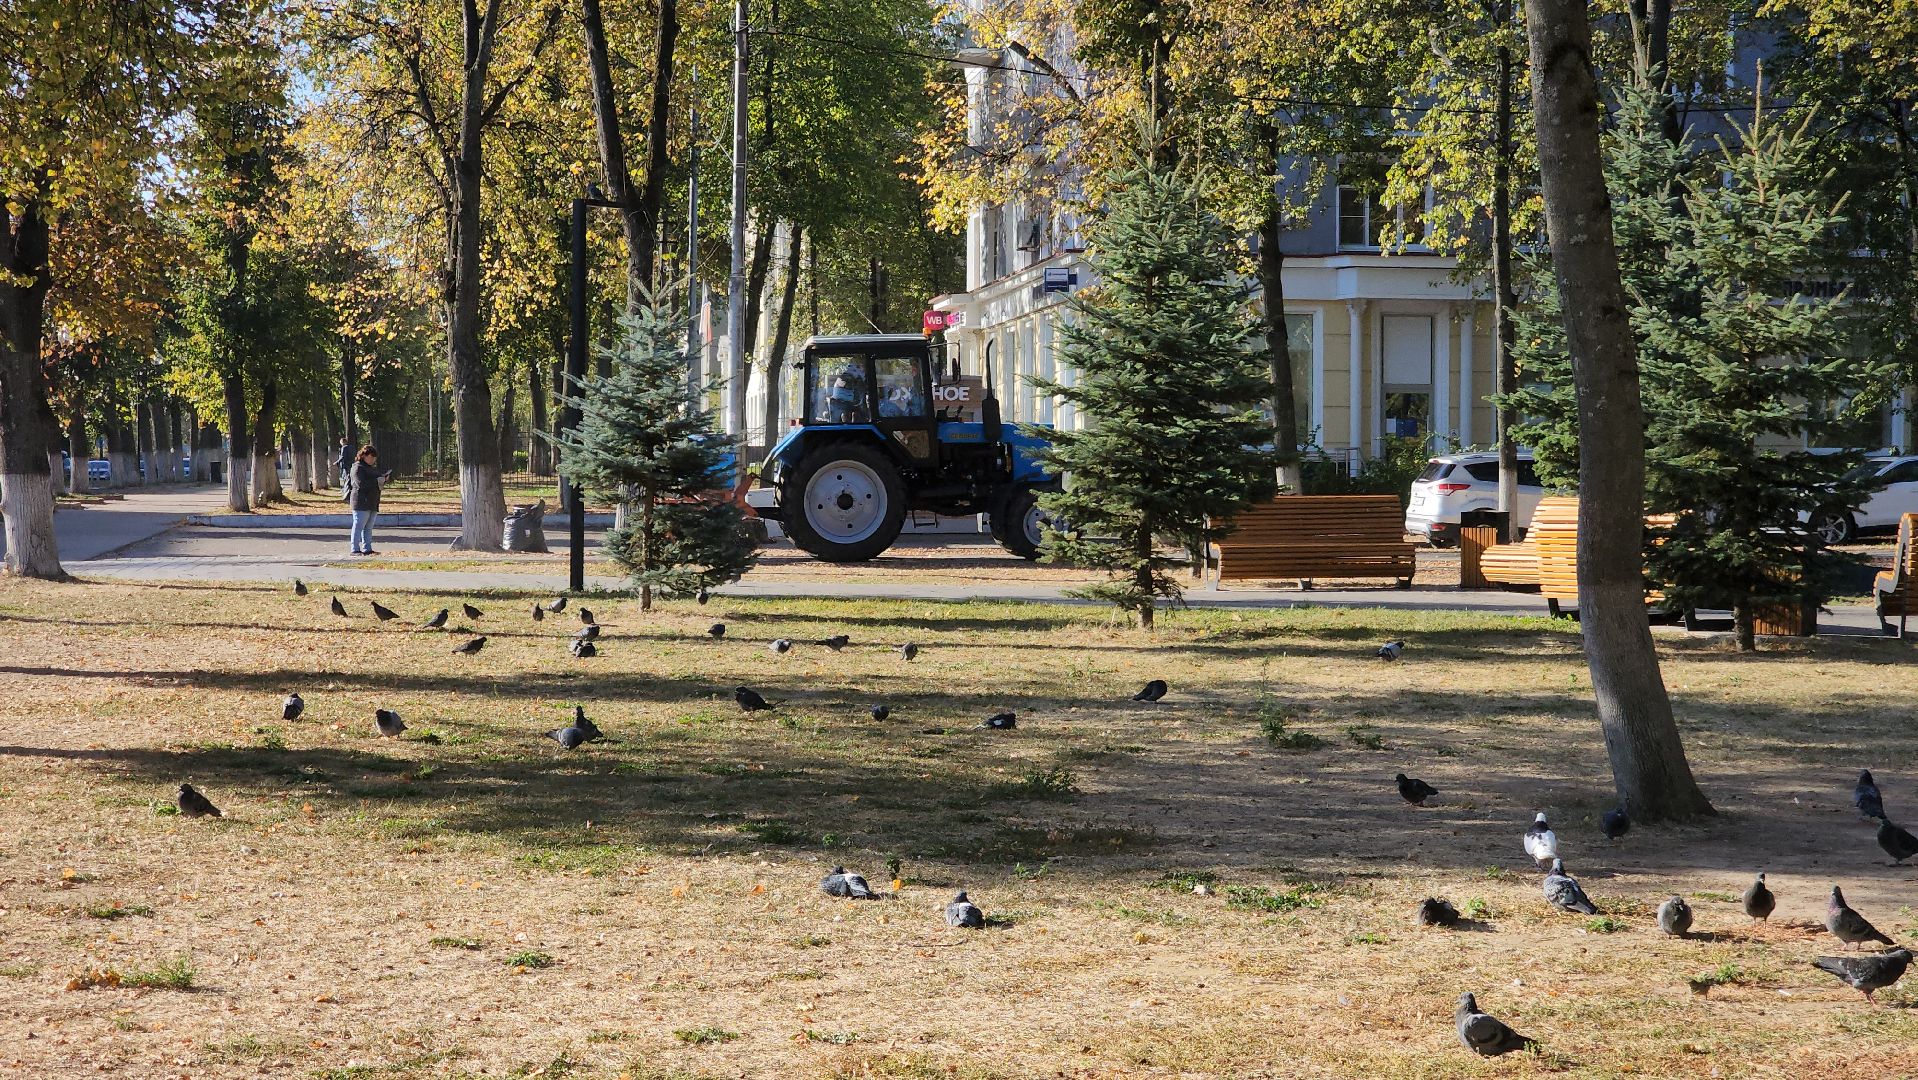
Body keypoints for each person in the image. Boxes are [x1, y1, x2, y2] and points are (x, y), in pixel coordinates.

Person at [345, 445, 390, 555]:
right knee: (358, 525)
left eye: (375, 458)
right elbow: (361, 484)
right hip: (361, 501)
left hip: (372, 501)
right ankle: (355, 549)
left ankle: (367, 548)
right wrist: (377, 480)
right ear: (364, 456)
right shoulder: (357, 467)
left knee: (368, 527)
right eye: (371, 457)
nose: (373, 459)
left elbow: (376, 479)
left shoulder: (371, 468)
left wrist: (383, 478)